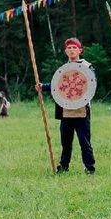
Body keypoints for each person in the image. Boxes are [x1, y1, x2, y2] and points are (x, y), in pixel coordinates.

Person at [40, 38, 97, 174]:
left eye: (74, 47)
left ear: (80, 50)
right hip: (66, 110)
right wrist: (43, 87)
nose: (72, 50)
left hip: (81, 110)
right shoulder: (64, 69)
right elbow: (58, 85)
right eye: (69, 48)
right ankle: (64, 166)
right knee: (66, 142)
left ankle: (90, 168)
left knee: (84, 142)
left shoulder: (87, 67)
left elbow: (91, 83)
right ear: (66, 51)